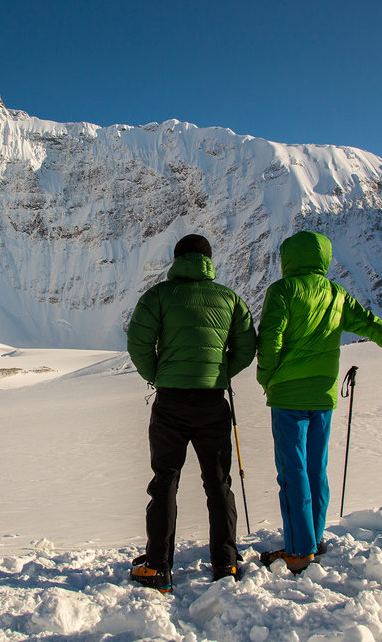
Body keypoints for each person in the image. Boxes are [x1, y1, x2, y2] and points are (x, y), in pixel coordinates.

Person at [256, 231, 382, 574]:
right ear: (322, 258)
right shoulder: (337, 295)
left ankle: (299, 550)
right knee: (315, 469)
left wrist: (266, 377)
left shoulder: (283, 291)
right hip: (323, 397)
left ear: (288, 258)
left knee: (292, 472)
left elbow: (270, 339)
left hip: (287, 397)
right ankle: (313, 538)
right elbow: (376, 327)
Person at [126, 234, 257, 591]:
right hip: (213, 401)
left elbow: (138, 342)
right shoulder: (230, 298)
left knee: (165, 481)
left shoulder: (158, 296)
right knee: (218, 483)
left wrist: (158, 374)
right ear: (208, 261)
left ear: (177, 259)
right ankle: (226, 563)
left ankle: (158, 565)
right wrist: (221, 372)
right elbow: (247, 345)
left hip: (171, 402)